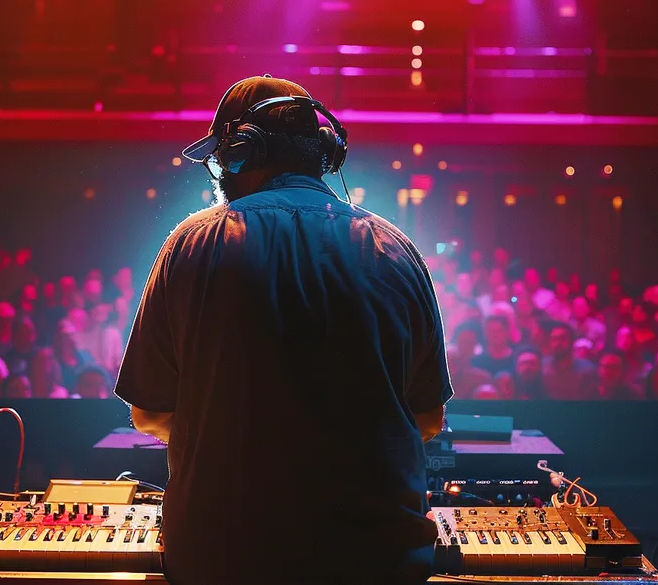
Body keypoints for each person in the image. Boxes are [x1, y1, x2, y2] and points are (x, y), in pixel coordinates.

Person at [114, 76, 452, 585]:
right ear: (326, 153)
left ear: (237, 152)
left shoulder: (191, 245)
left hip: (222, 564)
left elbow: (148, 414)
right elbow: (427, 420)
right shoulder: (395, 249)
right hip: (377, 564)